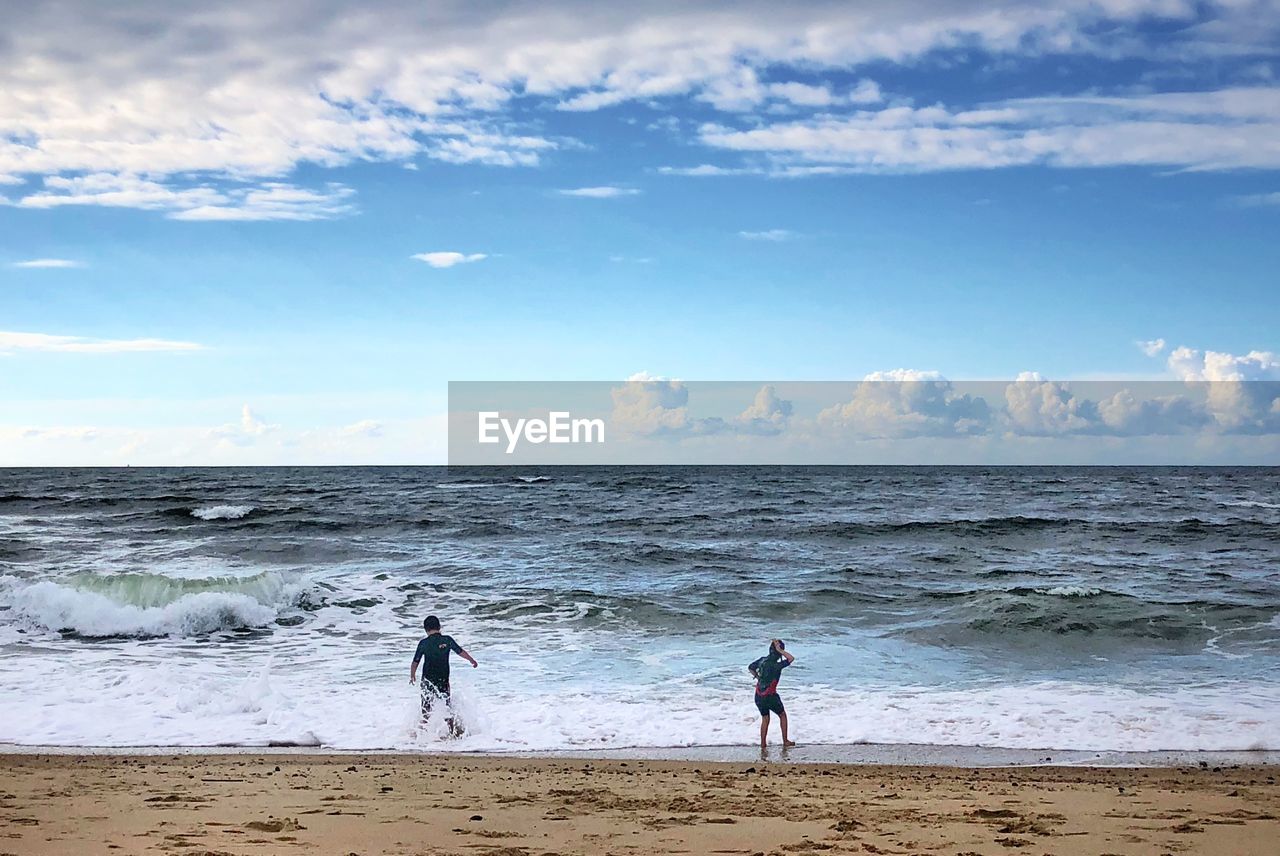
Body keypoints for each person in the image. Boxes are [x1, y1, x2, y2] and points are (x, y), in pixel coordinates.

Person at [409, 615, 477, 735]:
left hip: (427, 681)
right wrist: (471, 660)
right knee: (446, 706)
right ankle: (452, 733)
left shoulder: (423, 643)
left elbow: (415, 661)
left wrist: (412, 675)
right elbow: (460, 651)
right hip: (443, 679)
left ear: (426, 629)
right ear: (439, 627)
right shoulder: (447, 640)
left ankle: (423, 735)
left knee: (426, 709)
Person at [748, 638, 795, 748]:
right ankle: (785, 741)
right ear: (778, 652)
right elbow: (791, 658)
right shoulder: (776, 665)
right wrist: (781, 650)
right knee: (782, 715)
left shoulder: (762, 660)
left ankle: (763, 743)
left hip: (758, 695)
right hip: (770, 696)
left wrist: (758, 677)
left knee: (765, 718)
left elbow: (750, 667)